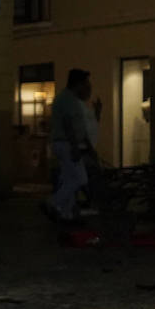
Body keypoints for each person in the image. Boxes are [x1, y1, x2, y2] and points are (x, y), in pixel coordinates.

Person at [46, 68, 94, 223]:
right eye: (85, 82)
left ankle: (66, 213)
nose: (88, 86)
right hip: (66, 144)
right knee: (80, 178)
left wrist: (87, 146)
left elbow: (79, 126)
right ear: (78, 83)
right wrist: (75, 146)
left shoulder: (71, 99)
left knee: (69, 179)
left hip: (66, 143)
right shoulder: (66, 99)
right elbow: (68, 124)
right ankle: (54, 203)